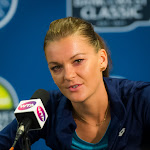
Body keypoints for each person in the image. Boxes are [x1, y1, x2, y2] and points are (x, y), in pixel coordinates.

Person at [0, 17, 150, 150]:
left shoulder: (140, 99)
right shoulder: (47, 108)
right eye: (56, 67)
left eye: (78, 61)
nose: (68, 75)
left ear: (102, 60)